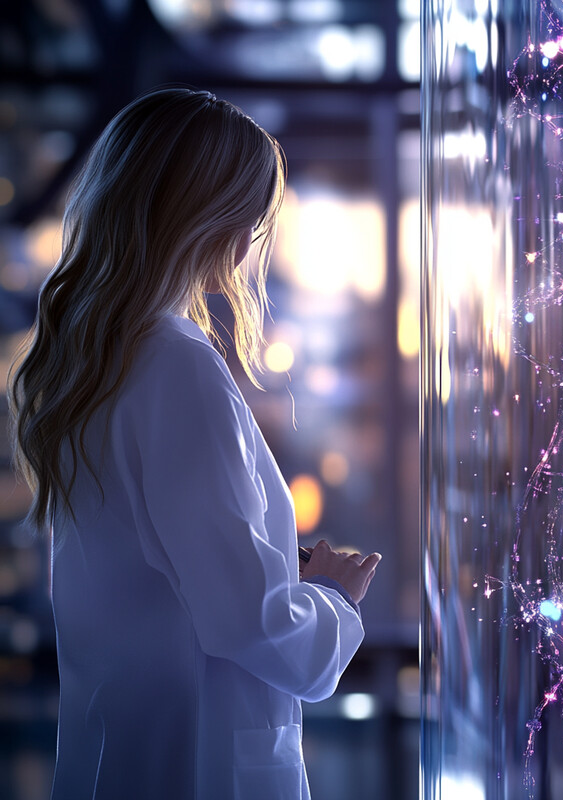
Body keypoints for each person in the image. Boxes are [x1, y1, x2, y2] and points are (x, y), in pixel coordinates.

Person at [7, 87, 381, 800]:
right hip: (197, 766)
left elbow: (163, 576)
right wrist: (333, 598)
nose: (250, 242)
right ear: (206, 214)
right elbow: (245, 621)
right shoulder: (177, 366)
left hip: (124, 753)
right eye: (249, 213)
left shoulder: (97, 361)